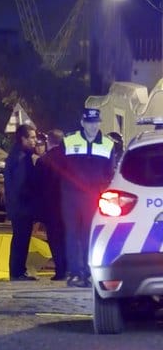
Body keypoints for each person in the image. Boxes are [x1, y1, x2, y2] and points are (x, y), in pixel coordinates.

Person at [61, 108, 114, 288]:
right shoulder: (69, 141)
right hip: (71, 197)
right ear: (82, 123)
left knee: (90, 236)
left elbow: (109, 173)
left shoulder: (108, 144)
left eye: (96, 122)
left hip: (93, 197)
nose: (93, 126)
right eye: (89, 122)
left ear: (100, 123)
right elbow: (60, 168)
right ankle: (75, 273)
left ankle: (89, 273)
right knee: (72, 234)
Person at [4, 124, 38, 281]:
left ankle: (18, 271)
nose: (35, 140)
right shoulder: (21, 158)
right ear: (23, 139)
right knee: (21, 239)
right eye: (31, 137)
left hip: (19, 206)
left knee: (20, 238)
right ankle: (18, 272)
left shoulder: (18, 155)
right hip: (22, 207)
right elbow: (21, 184)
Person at [34, 129, 66, 281]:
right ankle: (72, 269)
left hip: (50, 207)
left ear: (49, 142)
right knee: (69, 238)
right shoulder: (71, 159)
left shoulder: (43, 161)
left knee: (55, 239)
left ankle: (60, 271)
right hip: (69, 205)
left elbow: (37, 186)